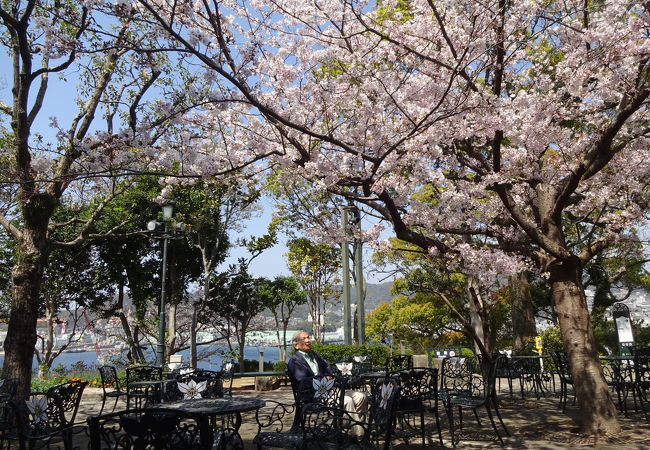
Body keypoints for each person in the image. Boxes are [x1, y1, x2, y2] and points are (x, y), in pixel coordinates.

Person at [287, 330, 368, 425]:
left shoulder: (315, 355)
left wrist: (328, 378)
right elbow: (304, 382)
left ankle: (356, 431)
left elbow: (327, 368)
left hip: (331, 390)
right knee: (346, 400)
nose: (308, 340)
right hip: (314, 396)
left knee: (361, 397)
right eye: (304, 338)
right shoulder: (295, 361)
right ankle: (355, 435)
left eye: (308, 337)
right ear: (296, 345)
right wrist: (325, 380)